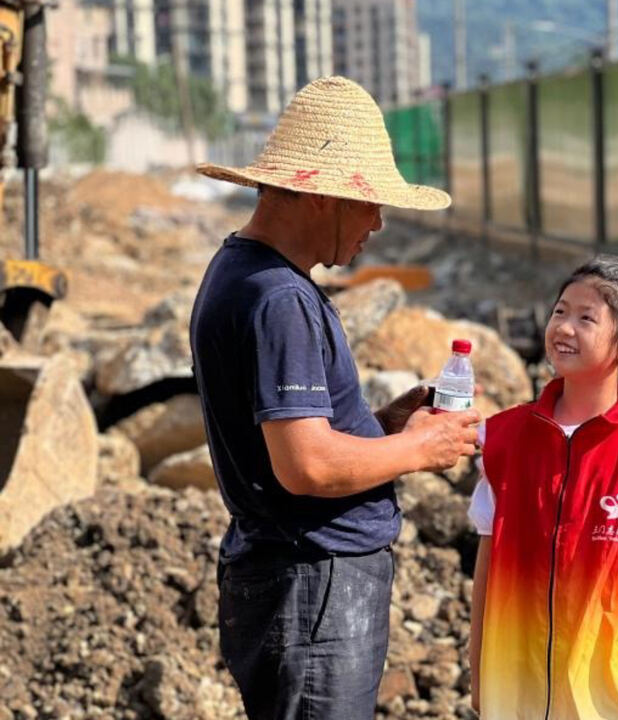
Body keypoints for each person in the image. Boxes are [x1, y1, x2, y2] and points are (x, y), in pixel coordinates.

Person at [190, 76, 481, 719]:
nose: (377, 222)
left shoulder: (244, 272)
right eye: (369, 203)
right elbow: (308, 465)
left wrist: (382, 425)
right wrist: (420, 447)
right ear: (322, 196)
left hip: (296, 583)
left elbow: (290, 439)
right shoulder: (280, 300)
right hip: (313, 585)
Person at [467, 256, 618, 719]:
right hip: (513, 686)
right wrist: (479, 669)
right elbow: (487, 568)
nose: (564, 327)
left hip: (612, 695)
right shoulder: (502, 439)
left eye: (586, 318)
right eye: (560, 311)